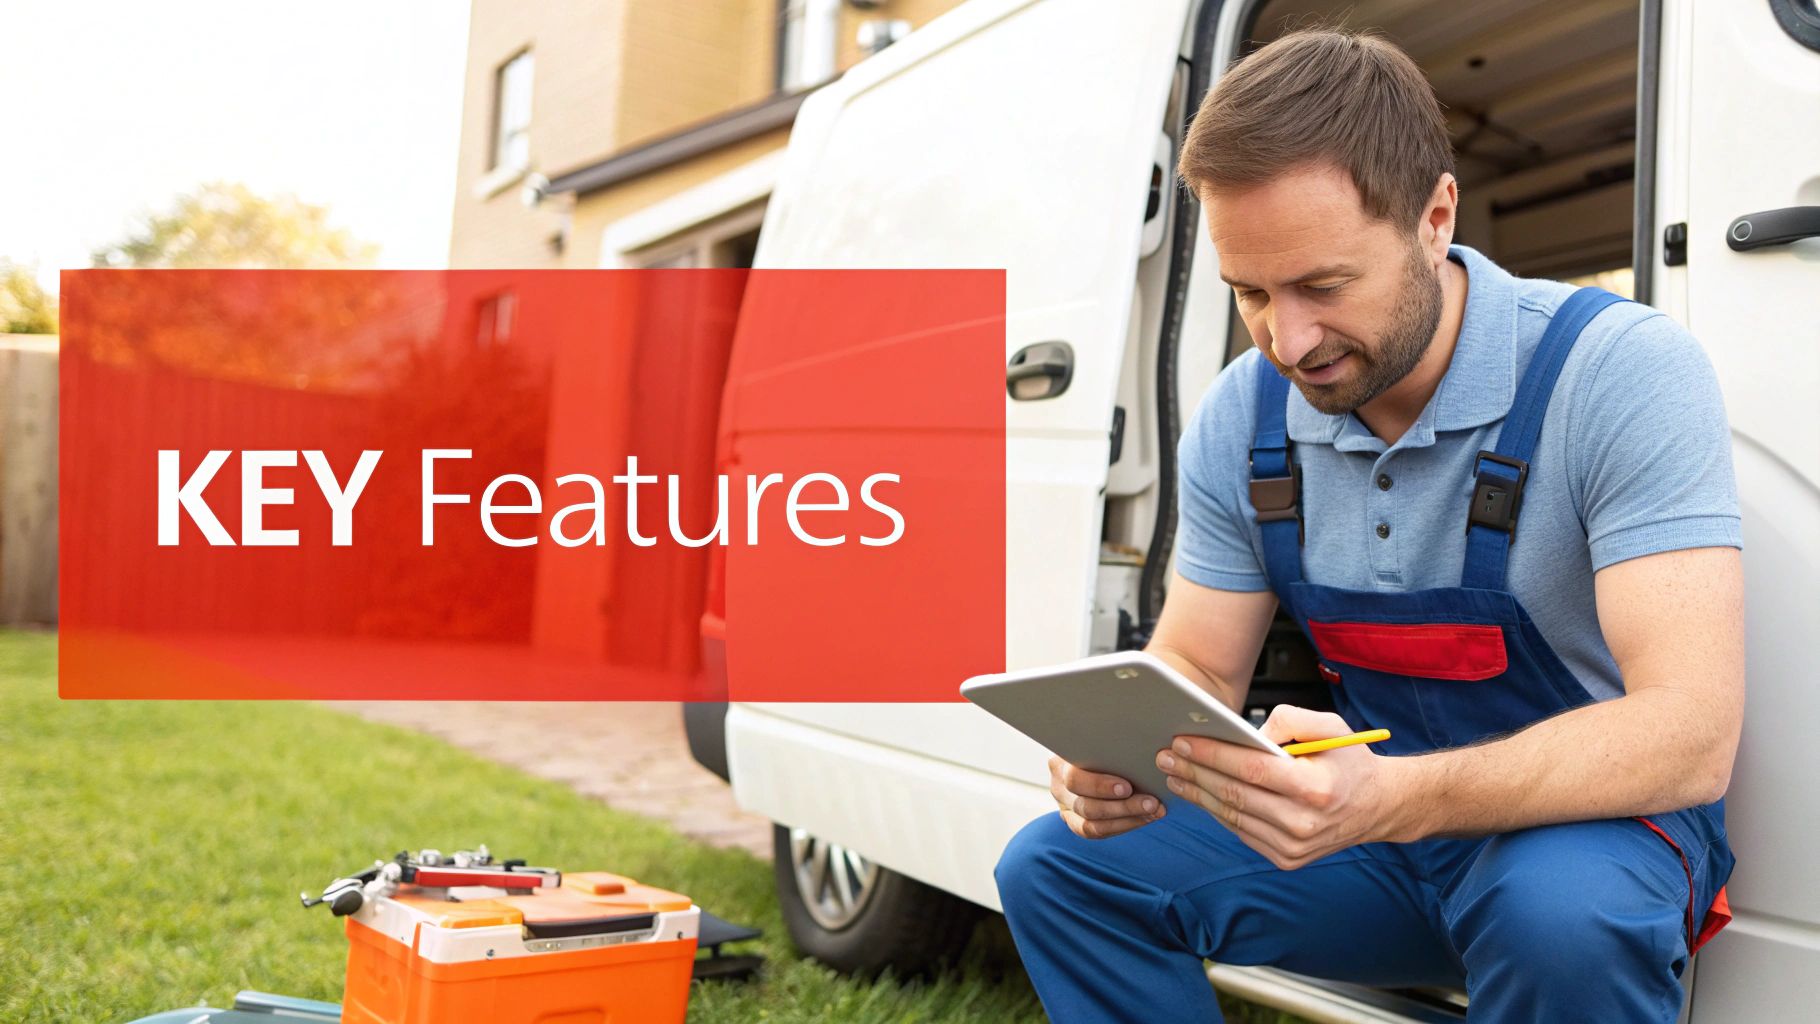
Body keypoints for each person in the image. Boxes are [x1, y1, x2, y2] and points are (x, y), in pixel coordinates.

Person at [994, 28, 1741, 1024]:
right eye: (1249, 293)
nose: (1286, 339)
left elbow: (1689, 733)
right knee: (1056, 867)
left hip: (1586, 836)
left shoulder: (1619, 373)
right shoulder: (1242, 417)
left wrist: (1392, 796)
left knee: (1558, 921)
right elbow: (1197, 665)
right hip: (1379, 842)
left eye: (1322, 285)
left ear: (1434, 219)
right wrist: (1119, 753)